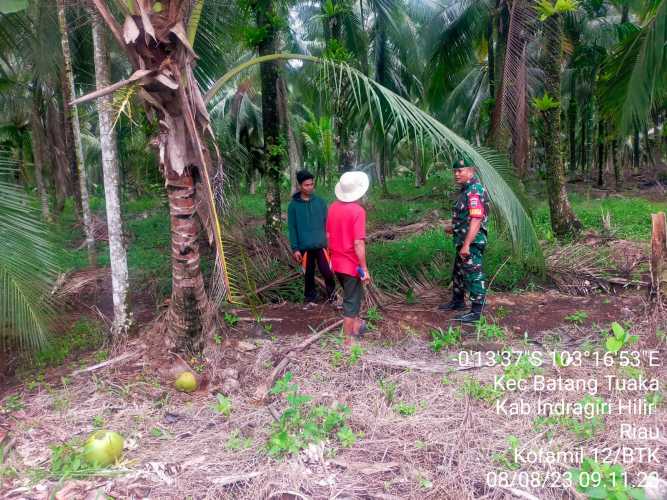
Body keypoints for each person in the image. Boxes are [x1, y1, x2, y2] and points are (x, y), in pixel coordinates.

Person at [439, 157, 489, 323]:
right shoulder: (466, 190)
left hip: (472, 243)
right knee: (459, 273)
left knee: (474, 273)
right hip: (463, 241)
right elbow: (466, 218)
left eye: (460, 171)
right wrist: (454, 229)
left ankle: (476, 312)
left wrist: (467, 244)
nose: (456, 174)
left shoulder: (474, 191)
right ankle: (458, 301)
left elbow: (476, 219)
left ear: (471, 171)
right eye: (455, 171)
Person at [326, 171, 370, 346]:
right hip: (350, 265)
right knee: (351, 302)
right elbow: (358, 243)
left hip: (336, 262)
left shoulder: (333, 207)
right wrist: (364, 268)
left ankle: (356, 327)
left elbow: (328, 235)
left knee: (352, 296)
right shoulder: (358, 211)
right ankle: (347, 341)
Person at [288, 170, 336, 304]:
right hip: (304, 247)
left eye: (311, 184)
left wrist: (329, 241)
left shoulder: (320, 202)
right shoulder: (293, 206)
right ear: (299, 186)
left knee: (327, 272)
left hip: (321, 245)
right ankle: (310, 299)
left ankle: (332, 297)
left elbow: (327, 224)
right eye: (306, 185)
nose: (310, 187)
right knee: (308, 274)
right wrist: (295, 248)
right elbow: (292, 228)